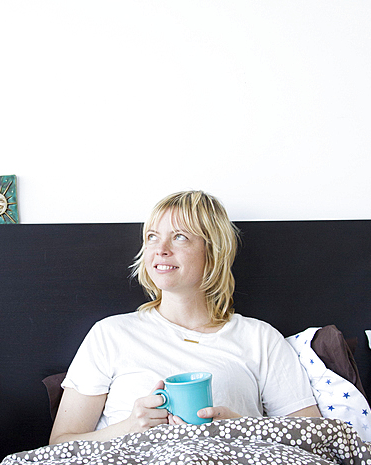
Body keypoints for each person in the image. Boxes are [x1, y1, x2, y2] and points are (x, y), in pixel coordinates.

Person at [49, 190, 320, 445]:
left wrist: (239, 428)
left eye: (179, 237)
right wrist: (129, 427)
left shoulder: (260, 338)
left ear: (212, 252)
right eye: (153, 237)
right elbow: (58, 444)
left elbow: (312, 439)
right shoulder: (110, 334)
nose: (161, 249)